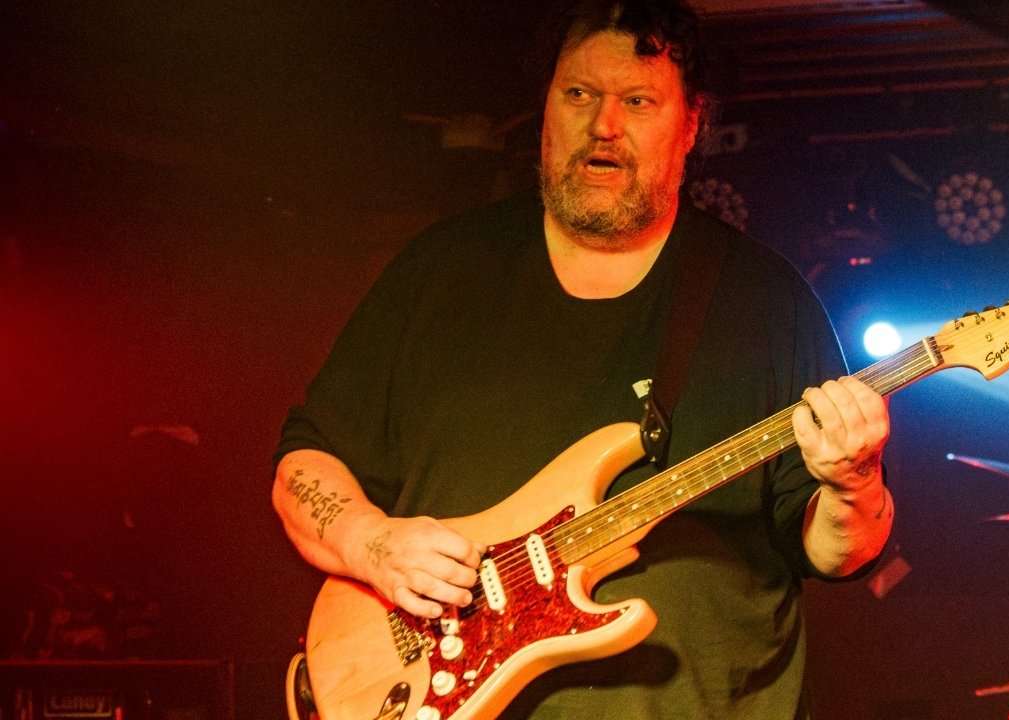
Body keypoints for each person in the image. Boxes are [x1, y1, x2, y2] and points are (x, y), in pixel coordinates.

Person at [271, 1, 894, 717]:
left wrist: (854, 482)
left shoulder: (766, 301)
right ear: (545, 107)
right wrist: (371, 543)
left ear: (692, 123)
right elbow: (304, 466)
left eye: (638, 101)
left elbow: (841, 551)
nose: (604, 125)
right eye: (578, 94)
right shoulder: (441, 272)